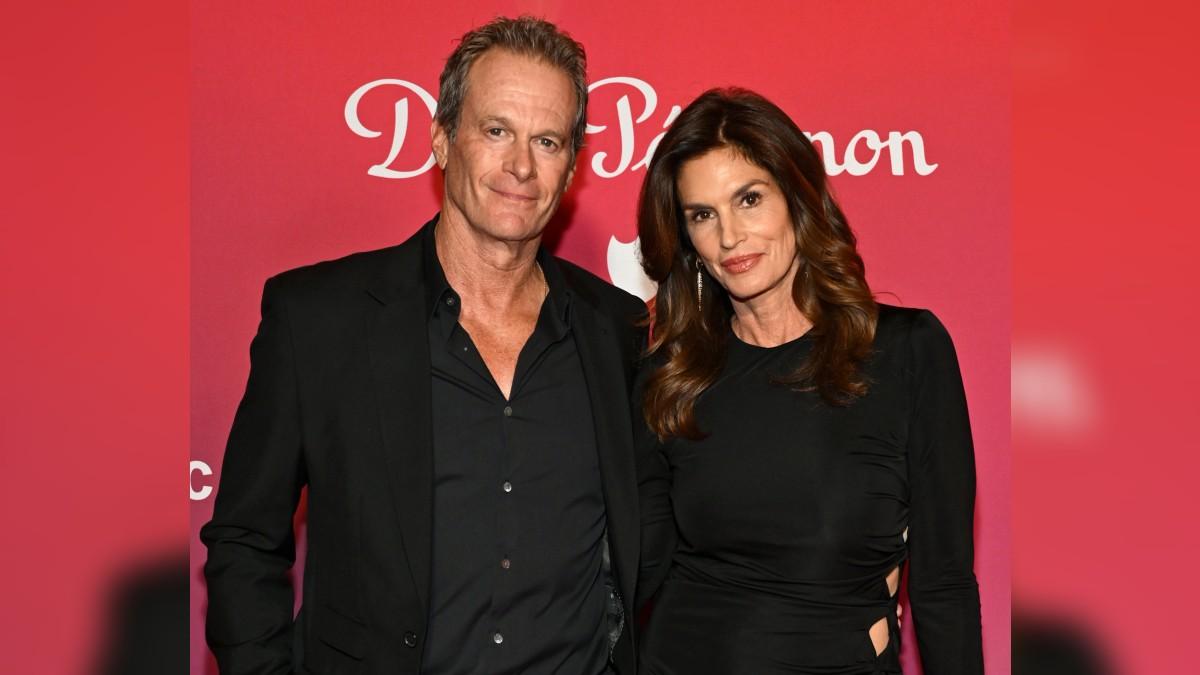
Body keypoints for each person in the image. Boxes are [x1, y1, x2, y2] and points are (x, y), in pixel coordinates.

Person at [201, 17, 665, 675]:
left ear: (571, 165)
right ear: (443, 140)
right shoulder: (319, 321)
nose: (522, 166)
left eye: (548, 140)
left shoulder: (620, 333)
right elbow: (246, 540)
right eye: (496, 130)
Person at [633, 88, 984, 675]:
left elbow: (944, 582)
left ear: (798, 197)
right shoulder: (670, 377)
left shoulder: (905, 351)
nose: (729, 236)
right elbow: (634, 565)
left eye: (749, 199)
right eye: (702, 214)